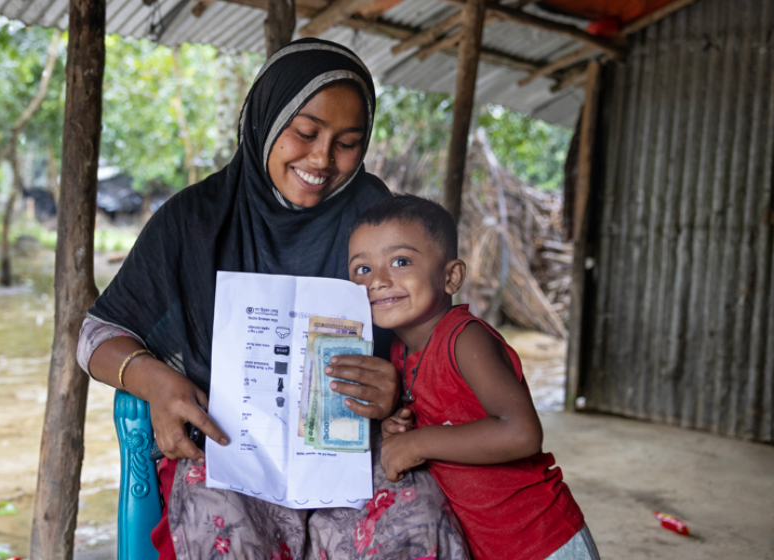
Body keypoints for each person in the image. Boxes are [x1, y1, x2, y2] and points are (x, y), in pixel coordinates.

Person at [77, 40, 467, 559]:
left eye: (348, 142)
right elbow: (95, 335)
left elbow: (436, 333)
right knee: (224, 529)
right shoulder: (195, 221)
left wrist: (396, 386)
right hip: (228, 450)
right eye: (305, 133)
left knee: (412, 521)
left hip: (355, 448)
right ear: (264, 119)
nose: (322, 159)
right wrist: (154, 380)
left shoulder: (379, 218)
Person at [346, 195, 599, 560]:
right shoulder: (401, 353)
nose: (379, 281)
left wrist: (417, 444)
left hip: (541, 540)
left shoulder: (465, 339)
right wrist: (399, 431)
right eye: (362, 269)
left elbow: (522, 432)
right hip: (487, 545)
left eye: (400, 262)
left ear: (451, 277)